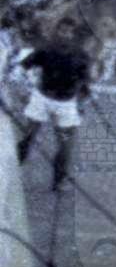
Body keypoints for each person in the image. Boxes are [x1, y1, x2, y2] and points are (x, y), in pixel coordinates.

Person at [14, 21, 96, 189]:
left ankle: (58, 181)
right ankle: (12, 169)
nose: (64, 35)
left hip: (66, 104)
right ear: (56, 32)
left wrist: (81, 105)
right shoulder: (45, 49)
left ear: (74, 35)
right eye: (62, 31)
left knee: (65, 146)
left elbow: (85, 85)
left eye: (68, 32)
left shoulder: (82, 56)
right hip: (42, 98)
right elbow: (22, 67)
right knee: (28, 136)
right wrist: (23, 89)